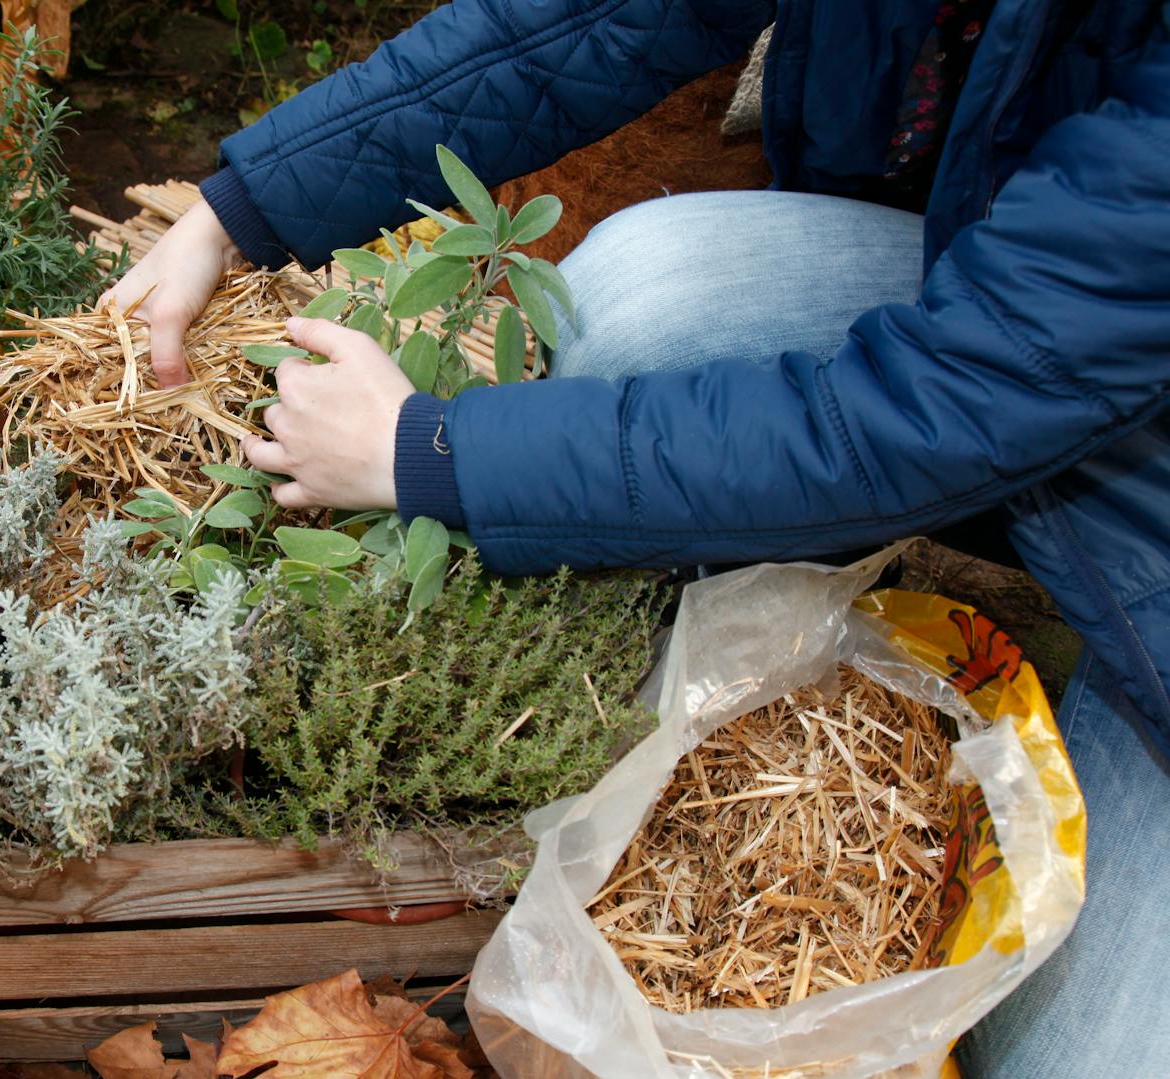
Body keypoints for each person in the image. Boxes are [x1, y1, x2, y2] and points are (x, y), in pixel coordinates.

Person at [99, 0, 1170, 1073]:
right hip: (1010, 307)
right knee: (648, 300)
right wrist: (239, 209)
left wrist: (432, 455)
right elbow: (583, 21)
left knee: (1077, 1056)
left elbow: (917, 420)